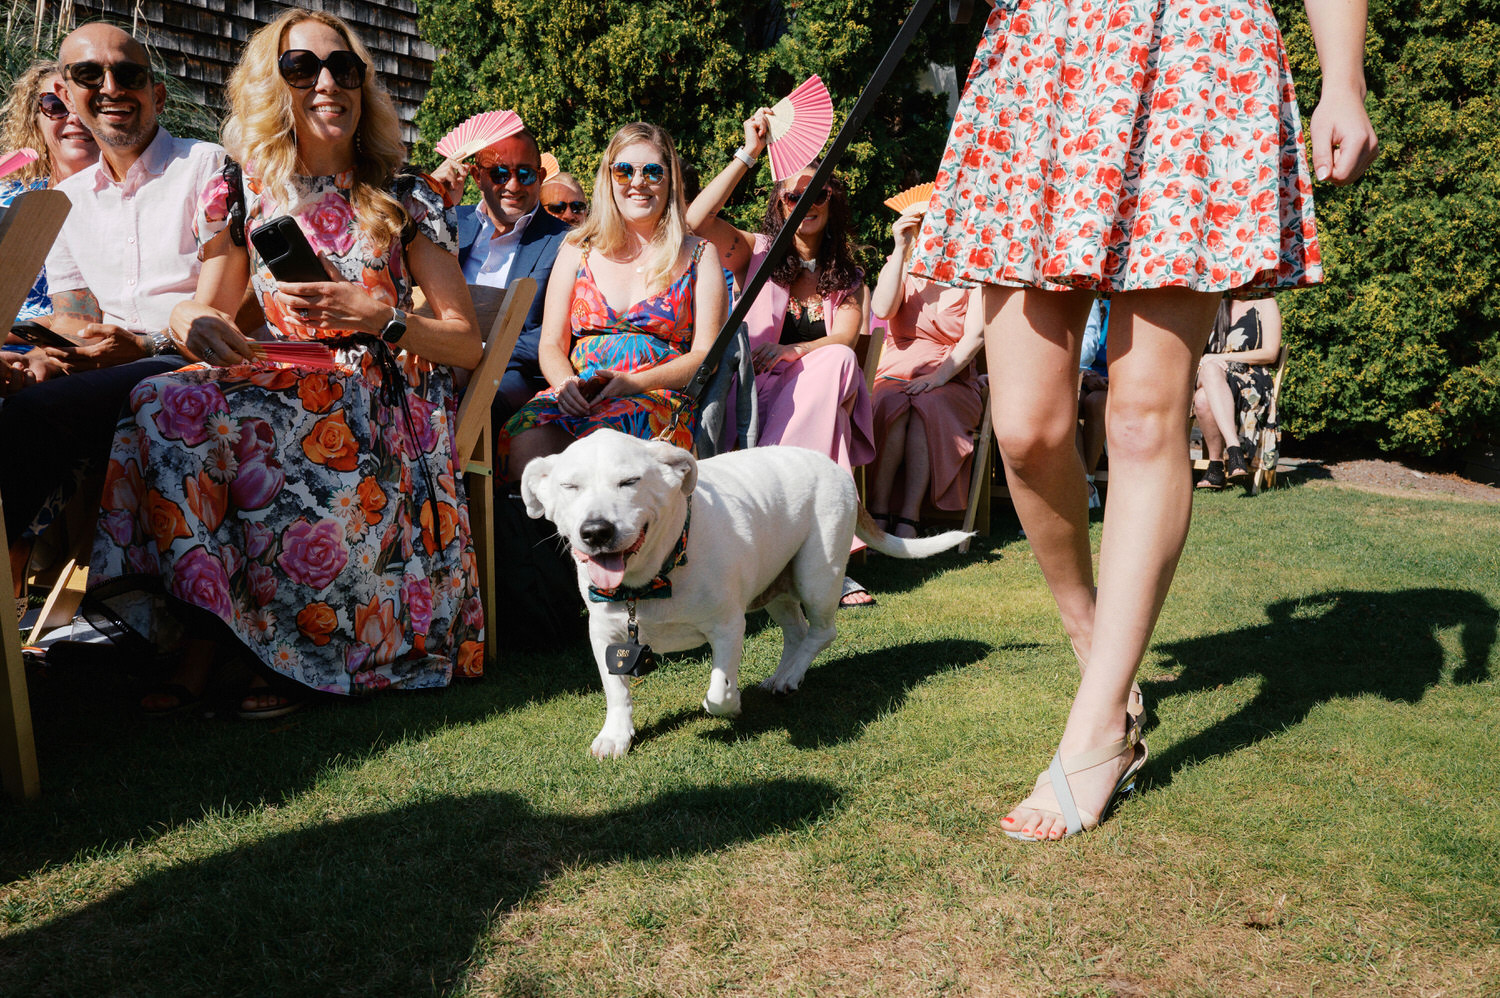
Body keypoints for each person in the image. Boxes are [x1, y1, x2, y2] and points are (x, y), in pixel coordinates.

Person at [910, 0, 1377, 839]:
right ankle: (1096, 646)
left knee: (1141, 418)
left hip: (1195, 52)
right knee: (1025, 427)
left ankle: (1099, 733)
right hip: (1044, 58)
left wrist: (1342, 77)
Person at [87, 8, 484, 718]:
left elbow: (462, 340)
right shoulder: (242, 191)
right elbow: (208, 311)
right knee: (161, 401)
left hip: (378, 396)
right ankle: (212, 629)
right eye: (304, 68)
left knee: (249, 425)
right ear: (277, 87)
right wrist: (185, 317)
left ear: (364, 87)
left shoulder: (403, 193)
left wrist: (380, 318)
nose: (327, 82)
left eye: (344, 68)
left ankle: (283, 649)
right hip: (284, 379)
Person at [0, 23, 220, 544]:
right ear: (68, 96)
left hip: (196, 359)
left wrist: (146, 344)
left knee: (31, 417)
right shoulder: (67, 199)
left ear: (156, 94)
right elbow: (76, 315)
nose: (112, 87)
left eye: (128, 74)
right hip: (118, 367)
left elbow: (245, 305)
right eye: (88, 74)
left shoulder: (206, 165)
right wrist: (52, 354)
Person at [687, 114, 874, 607]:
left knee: (834, 364)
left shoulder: (849, 276)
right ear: (778, 205)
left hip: (813, 391)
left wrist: (792, 352)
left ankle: (815, 551)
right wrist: (749, 152)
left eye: (817, 194)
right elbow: (695, 220)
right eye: (794, 196)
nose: (805, 204)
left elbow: (846, 338)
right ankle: (812, 550)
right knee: (830, 369)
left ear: (832, 204)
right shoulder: (756, 252)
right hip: (752, 395)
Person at [497, 121, 725, 482]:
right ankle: (541, 538)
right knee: (525, 435)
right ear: (608, 177)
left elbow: (704, 359)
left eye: (652, 171)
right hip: (580, 393)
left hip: (653, 396)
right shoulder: (577, 249)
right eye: (624, 171)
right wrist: (565, 386)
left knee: (610, 445)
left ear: (670, 180)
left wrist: (635, 383)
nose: (638, 182)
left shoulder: (699, 255)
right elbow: (552, 344)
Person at [433, 126, 571, 420]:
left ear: (541, 177)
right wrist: (433, 200)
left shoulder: (566, 241)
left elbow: (552, 333)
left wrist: (477, 357)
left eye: (525, 174)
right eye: (499, 173)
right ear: (476, 176)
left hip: (508, 375)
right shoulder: (448, 222)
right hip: (433, 360)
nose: (513, 185)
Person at [867, 205, 984, 538]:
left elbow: (975, 335)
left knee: (927, 405)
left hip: (953, 371)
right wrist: (900, 250)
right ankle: (877, 507)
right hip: (897, 366)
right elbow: (881, 309)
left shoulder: (973, 269)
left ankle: (909, 515)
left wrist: (939, 377)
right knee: (892, 403)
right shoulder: (902, 263)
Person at [0, 61, 99, 395]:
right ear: (36, 119)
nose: (74, 117)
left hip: (66, 353)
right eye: (56, 105)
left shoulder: (128, 204)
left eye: (85, 104)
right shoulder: (8, 196)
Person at [1194, 296, 1284, 489]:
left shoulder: (1265, 303)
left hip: (1248, 377)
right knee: (1209, 371)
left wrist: (1223, 358)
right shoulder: (1214, 304)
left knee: (1202, 399)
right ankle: (1234, 449)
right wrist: (1206, 360)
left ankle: (1216, 466)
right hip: (1209, 373)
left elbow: (1270, 353)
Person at [1077, 299, 1110, 509]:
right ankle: (1082, 484)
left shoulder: (1087, 299)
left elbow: (1088, 345)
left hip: (1087, 370)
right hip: (1071, 374)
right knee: (1064, 403)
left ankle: (1086, 480)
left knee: (1098, 401)